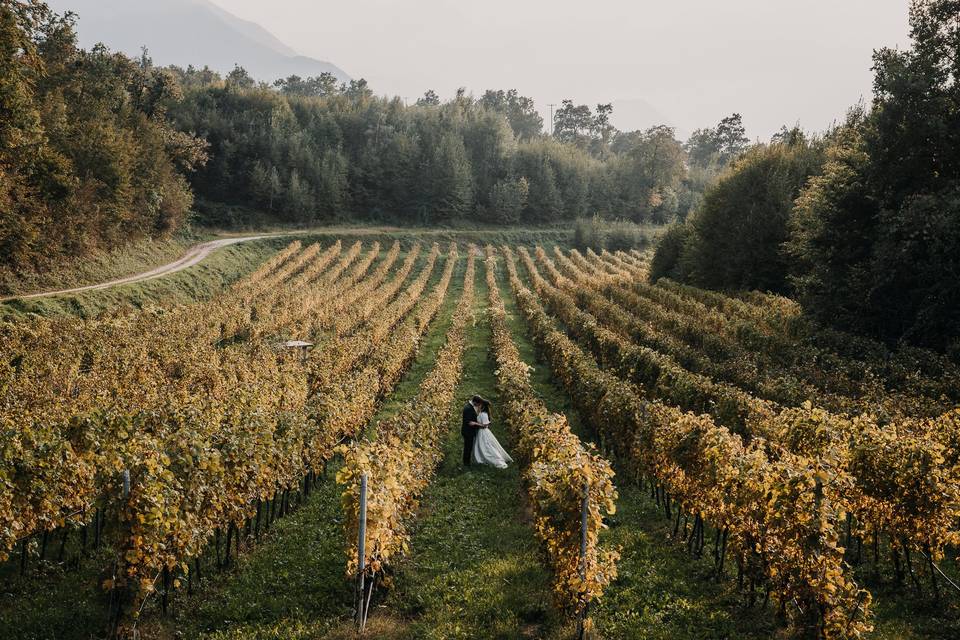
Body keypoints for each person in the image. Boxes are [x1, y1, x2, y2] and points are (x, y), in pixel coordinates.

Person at [471, 400, 513, 469]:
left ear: (482, 406)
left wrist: (475, 423)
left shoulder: (484, 414)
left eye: (480, 405)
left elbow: (485, 425)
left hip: (483, 432)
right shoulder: (481, 413)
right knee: (482, 446)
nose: (478, 406)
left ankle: (494, 460)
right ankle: (481, 458)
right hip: (481, 432)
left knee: (487, 446)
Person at [461, 395, 484, 467]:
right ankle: (466, 463)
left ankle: (467, 462)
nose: (479, 405)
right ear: (474, 402)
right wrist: (481, 425)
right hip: (468, 432)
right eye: (478, 404)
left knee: (468, 447)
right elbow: (470, 423)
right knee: (468, 448)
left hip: (468, 431)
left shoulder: (470, 407)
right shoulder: (468, 409)